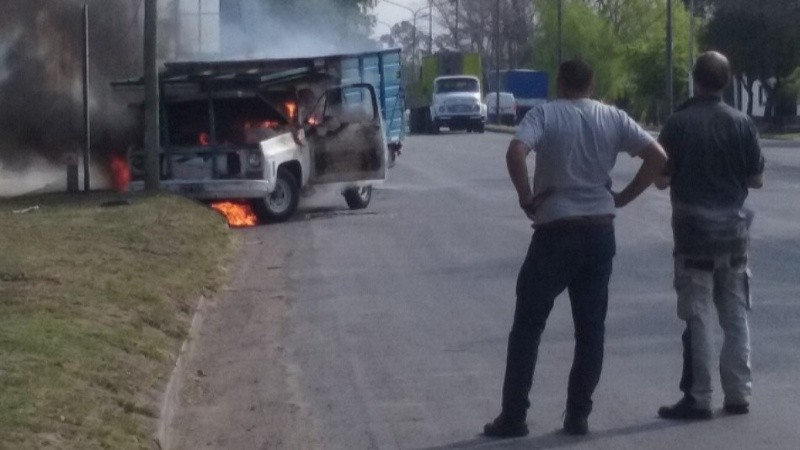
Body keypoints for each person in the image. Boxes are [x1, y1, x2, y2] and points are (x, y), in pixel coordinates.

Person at [483, 59, 667, 438]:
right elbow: (658, 157)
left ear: (560, 82)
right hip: (599, 233)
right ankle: (578, 415)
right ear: (592, 83)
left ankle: (514, 416)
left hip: (555, 232)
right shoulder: (613, 117)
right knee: (590, 328)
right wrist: (622, 197)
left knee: (528, 325)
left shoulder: (545, 115)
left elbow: (516, 152)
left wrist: (526, 198)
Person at [655, 51, 765, 420]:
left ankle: (700, 396)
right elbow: (756, 179)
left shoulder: (678, 124)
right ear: (727, 82)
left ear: (694, 79)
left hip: (693, 238)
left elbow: (661, 179)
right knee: (735, 315)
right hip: (734, 236)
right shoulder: (742, 123)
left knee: (699, 316)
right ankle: (738, 393)